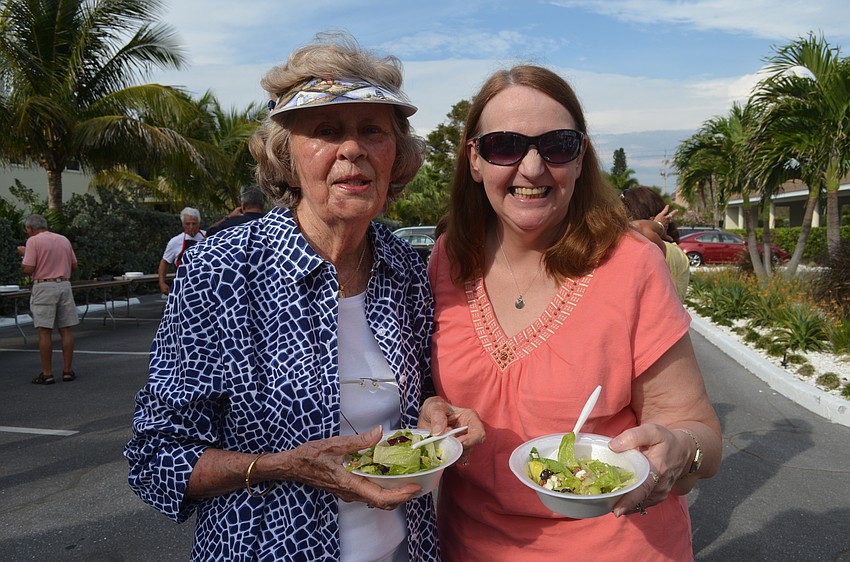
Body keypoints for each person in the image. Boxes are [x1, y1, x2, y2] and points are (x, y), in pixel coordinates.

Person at [125, 32, 483, 562]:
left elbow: (419, 394)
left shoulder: (406, 267)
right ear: (287, 156)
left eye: (372, 131)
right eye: (326, 130)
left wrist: (436, 408)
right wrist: (281, 466)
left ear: (396, 155)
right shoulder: (224, 268)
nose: (354, 148)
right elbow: (155, 457)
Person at [428, 65, 721, 561]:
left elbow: (703, 440)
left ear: (580, 158)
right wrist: (434, 411)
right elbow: (430, 394)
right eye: (505, 145)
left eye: (558, 145)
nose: (533, 167)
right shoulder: (445, 261)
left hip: (618, 544)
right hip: (467, 546)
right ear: (474, 159)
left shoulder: (632, 266)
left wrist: (678, 450)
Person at [16, 214, 79, 384]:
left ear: (30, 228)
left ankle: (47, 373)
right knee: (66, 329)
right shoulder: (63, 239)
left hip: (44, 285)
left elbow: (28, 269)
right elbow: (74, 265)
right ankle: (67, 370)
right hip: (64, 285)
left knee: (45, 330)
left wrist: (24, 254)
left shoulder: (33, 241)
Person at [621, 186, 690, 300]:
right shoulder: (630, 245)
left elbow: (636, 228)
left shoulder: (671, 251)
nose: (623, 222)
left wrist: (658, 226)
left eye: (628, 217)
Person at [157, 207, 205, 295]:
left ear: (199, 223)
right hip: (183, 287)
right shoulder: (175, 242)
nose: (191, 227)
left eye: (194, 224)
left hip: (205, 286)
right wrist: (162, 283)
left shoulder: (208, 237)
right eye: (188, 224)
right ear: (183, 224)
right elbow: (164, 262)